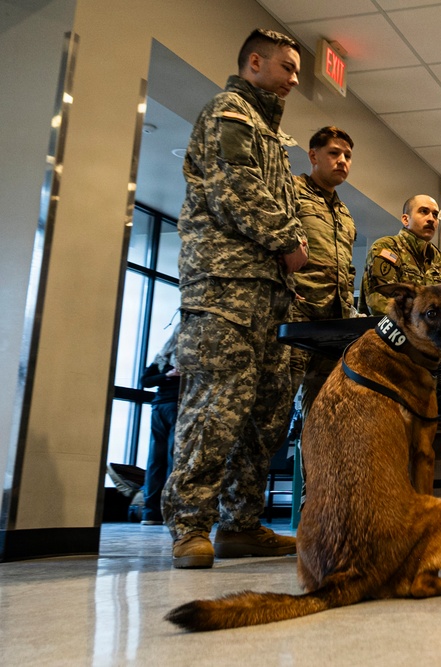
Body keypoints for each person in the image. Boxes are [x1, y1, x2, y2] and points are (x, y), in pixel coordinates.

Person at [162, 28, 307, 569]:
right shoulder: (230, 113)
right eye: (287, 68)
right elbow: (234, 190)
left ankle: (239, 524)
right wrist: (289, 237)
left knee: (266, 413)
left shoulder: (270, 133)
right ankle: (189, 525)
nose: (293, 79)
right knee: (214, 409)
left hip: (268, 294)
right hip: (223, 290)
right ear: (254, 62)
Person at [288, 125, 358, 417]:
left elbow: (347, 268)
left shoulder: (344, 214)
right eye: (334, 153)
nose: (342, 160)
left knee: (324, 415)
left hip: (333, 325)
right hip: (298, 316)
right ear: (313, 155)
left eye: (348, 155)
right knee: (278, 405)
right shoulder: (292, 190)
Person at [359, 194, 441, 317]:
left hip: (431, 333)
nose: (431, 219)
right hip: (390, 332)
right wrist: (421, 323)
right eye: (424, 212)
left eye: (435, 215)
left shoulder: (440, 261)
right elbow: (380, 303)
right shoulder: (387, 248)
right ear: (405, 220)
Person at [138, 326, 181, 525]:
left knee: (155, 460)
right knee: (173, 459)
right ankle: (169, 510)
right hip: (176, 406)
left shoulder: (163, 354)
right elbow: (145, 381)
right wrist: (171, 375)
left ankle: (151, 512)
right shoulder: (190, 355)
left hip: (158, 407)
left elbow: (145, 380)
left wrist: (164, 376)